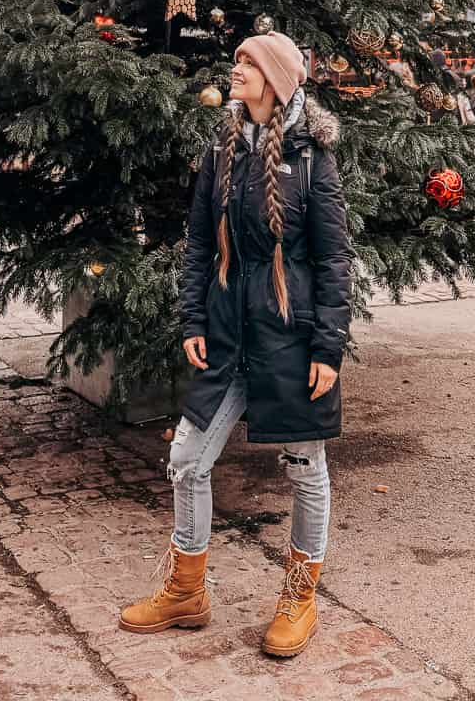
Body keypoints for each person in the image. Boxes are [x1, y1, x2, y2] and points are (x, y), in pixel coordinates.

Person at [120, 33, 353, 660]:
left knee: (305, 471)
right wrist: (193, 318)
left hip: (291, 340)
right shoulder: (221, 151)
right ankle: (186, 592)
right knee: (188, 460)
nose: (236, 67)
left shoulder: (311, 156)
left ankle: (299, 597)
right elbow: (199, 243)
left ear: (276, 80)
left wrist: (328, 347)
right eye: (239, 59)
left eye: (249, 63)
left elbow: (333, 258)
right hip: (226, 337)